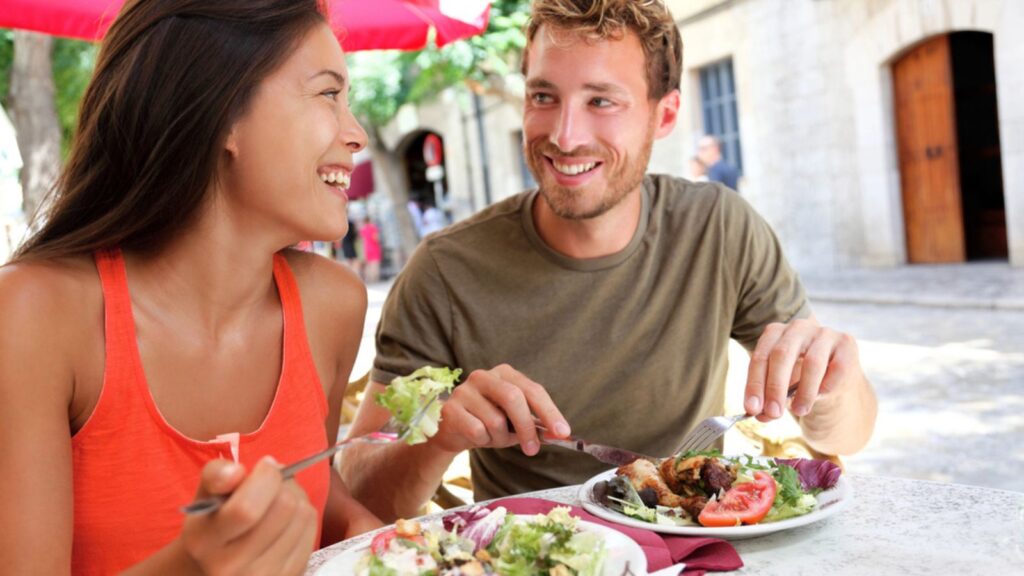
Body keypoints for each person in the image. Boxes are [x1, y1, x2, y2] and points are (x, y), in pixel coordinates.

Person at [341, 0, 877, 520]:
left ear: (663, 114)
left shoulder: (719, 228)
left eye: (601, 101)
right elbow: (359, 498)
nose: (565, 136)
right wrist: (440, 437)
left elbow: (846, 435)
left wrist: (831, 386)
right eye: (543, 96)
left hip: (694, 552)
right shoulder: (444, 270)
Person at [0, 1, 385, 573]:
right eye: (328, 94)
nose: (355, 136)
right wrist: (190, 566)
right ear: (221, 113)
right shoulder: (34, 316)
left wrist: (359, 529)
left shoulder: (333, 304)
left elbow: (314, 486)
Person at [359, 216, 382, 282]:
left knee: (369, 264)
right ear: (370, 220)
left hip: (367, 248)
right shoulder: (373, 227)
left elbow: (362, 240)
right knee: (375, 263)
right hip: (374, 247)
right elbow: (375, 238)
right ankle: (375, 278)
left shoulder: (362, 229)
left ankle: (369, 278)